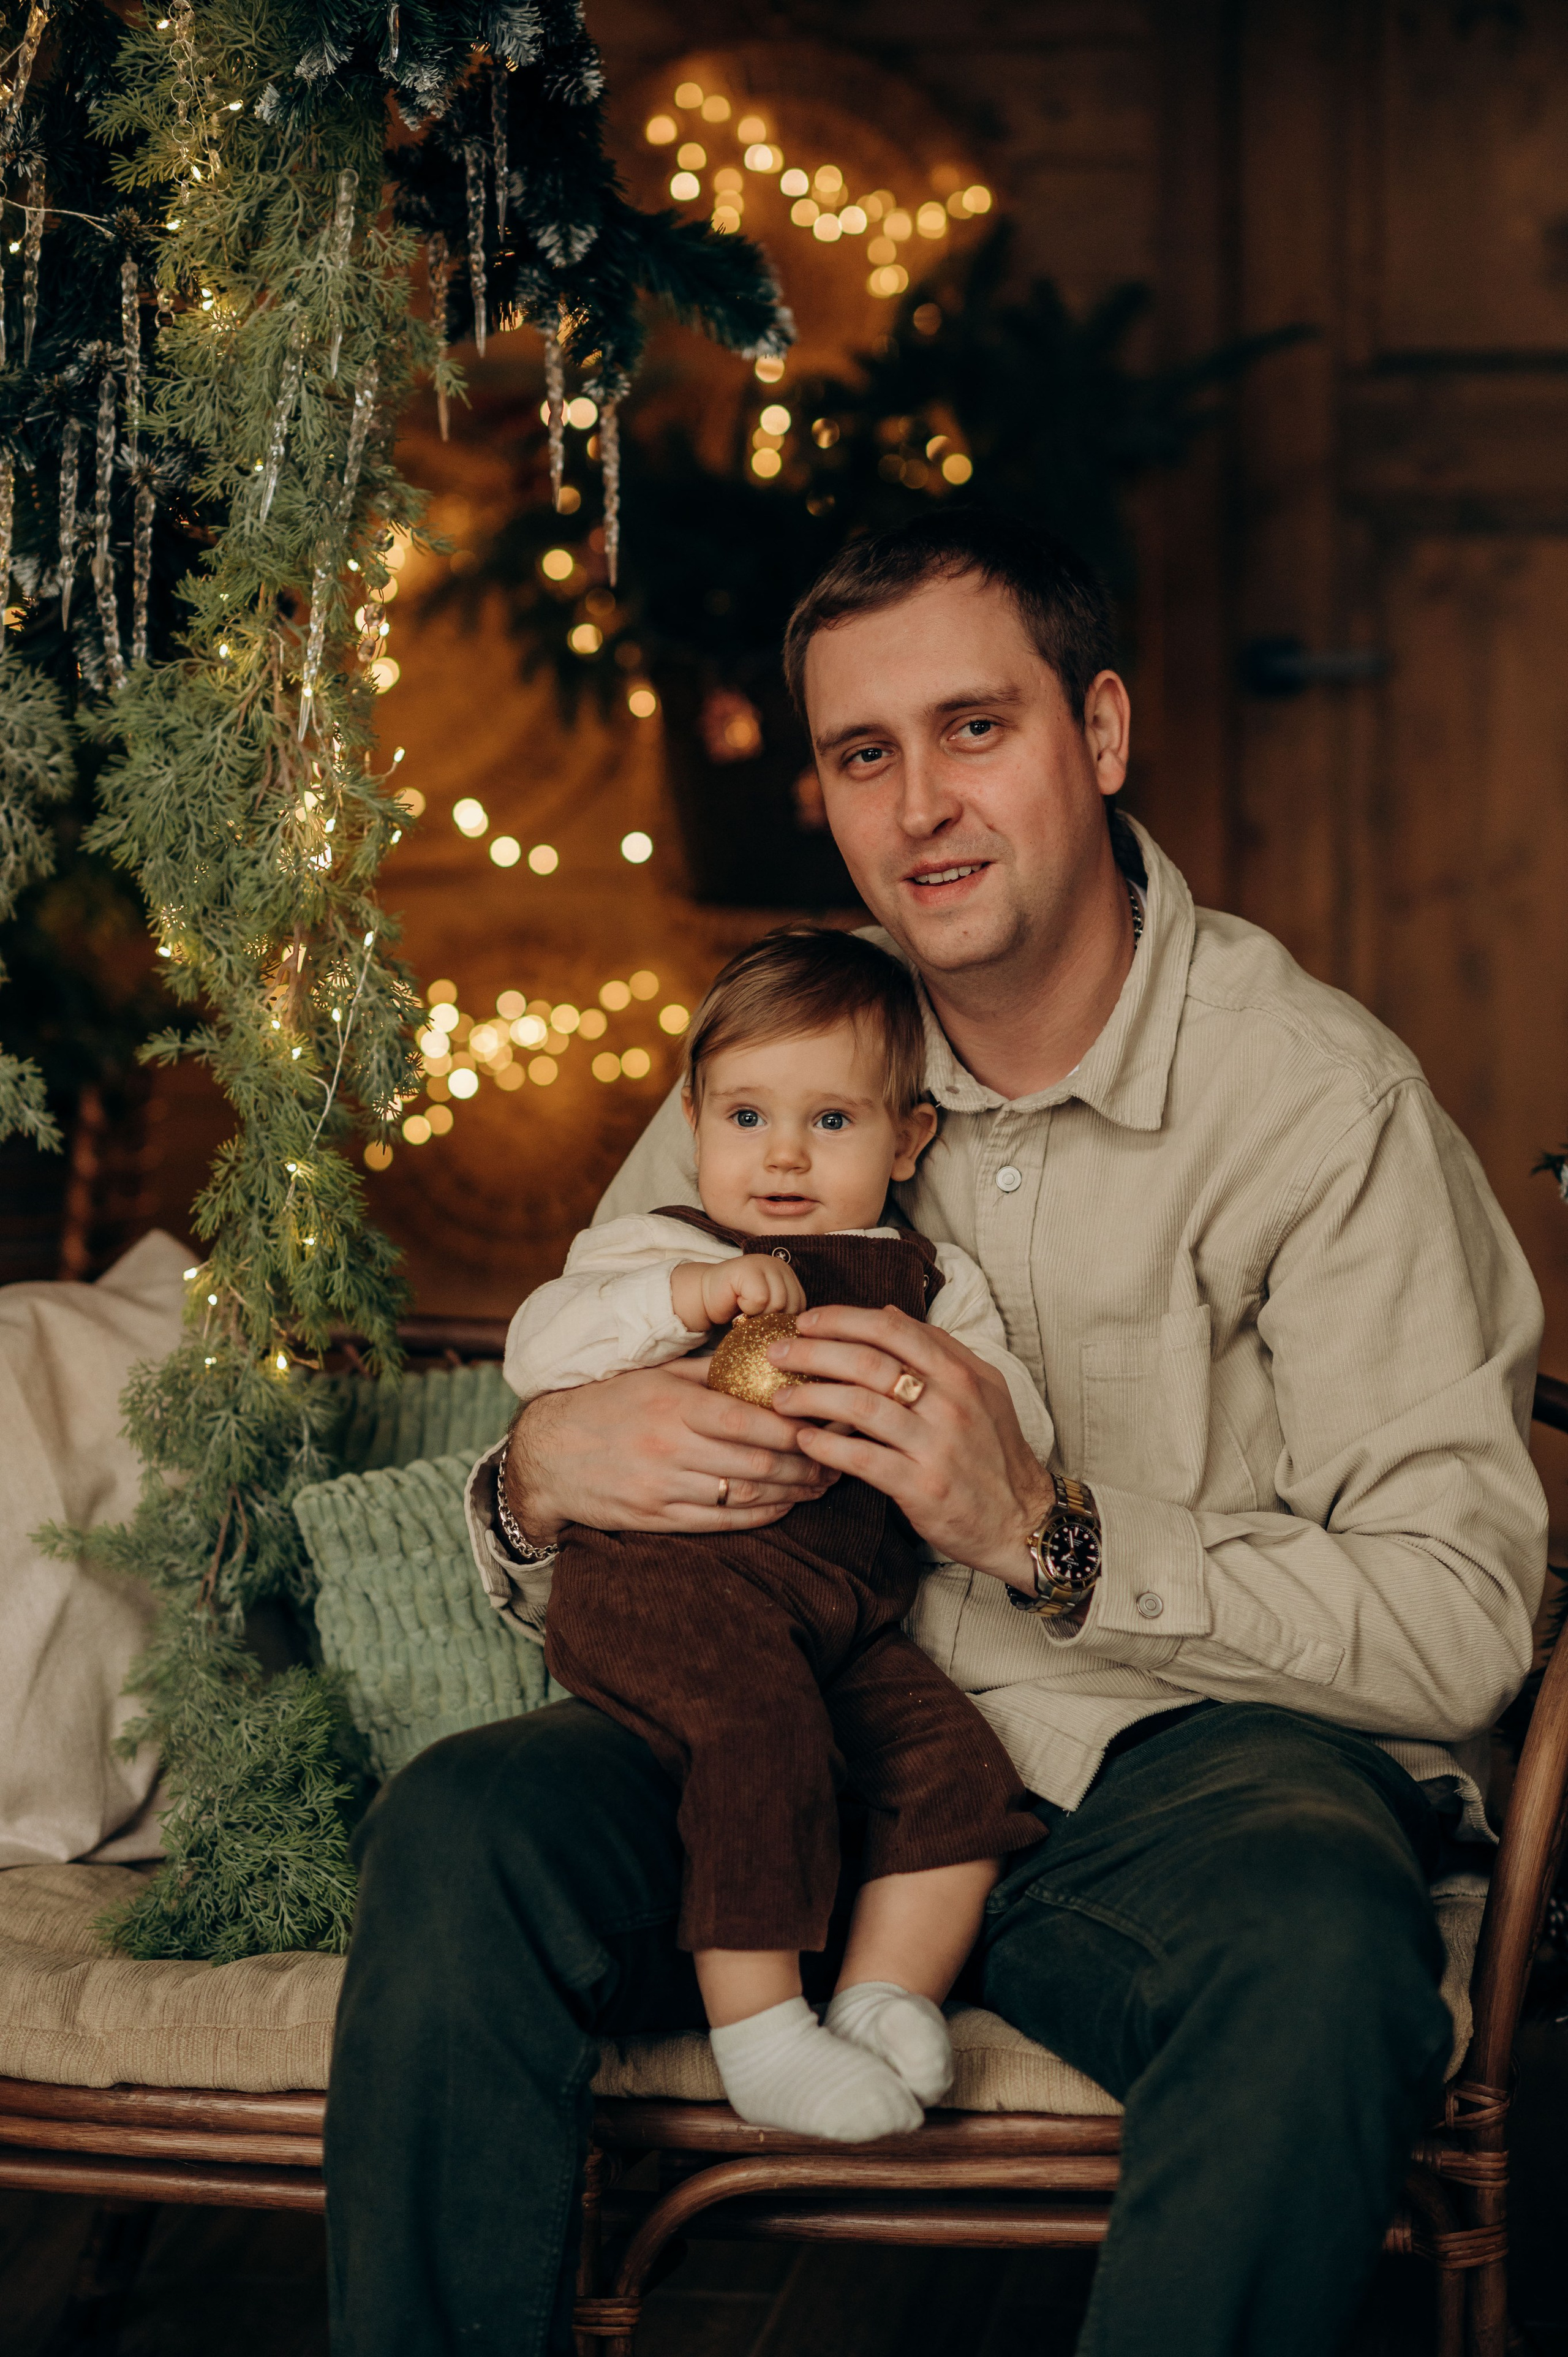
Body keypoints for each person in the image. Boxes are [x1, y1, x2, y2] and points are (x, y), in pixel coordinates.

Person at [326, 510, 1547, 2357]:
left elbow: (1462, 1616)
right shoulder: (782, 1059)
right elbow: (598, 1418)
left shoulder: (1319, 1105)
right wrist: (537, 1482)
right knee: (466, 1827)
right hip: (780, 1741)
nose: (922, 811)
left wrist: (1052, 1533)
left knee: (1317, 1937)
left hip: (1173, 1775)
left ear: (1104, 735)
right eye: (864, 755)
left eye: (976, 728)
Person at [508, 926, 1049, 2141]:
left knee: (960, 1767)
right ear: (693, 1115)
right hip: (671, 1590)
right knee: (756, 1732)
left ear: (908, 1135)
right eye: (745, 1117)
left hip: (840, 1618)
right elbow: (536, 1350)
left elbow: (1020, 1432)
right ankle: (759, 2031)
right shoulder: (664, 1245)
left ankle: (881, 1995)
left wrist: (935, 1386)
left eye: (832, 1122)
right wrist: (678, 1305)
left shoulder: (928, 1281)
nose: (783, 1158)